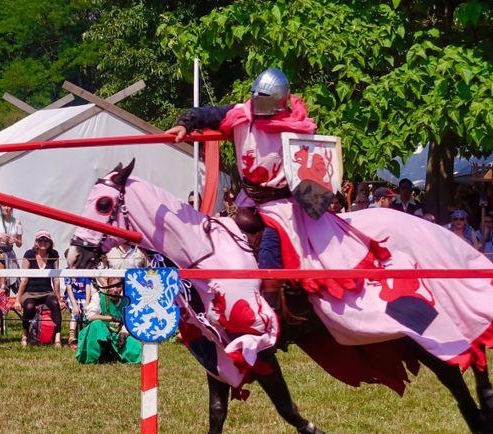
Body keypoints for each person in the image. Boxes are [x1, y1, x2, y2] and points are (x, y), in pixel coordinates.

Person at [166, 67, 389, 310]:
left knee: (270, 254)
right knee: (220, 243)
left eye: (262, 98)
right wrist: (184, 125)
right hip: (248, 200)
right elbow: (206, 114)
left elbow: (312, 173)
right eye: (254, 96)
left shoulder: (297, 127)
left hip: (281, 206)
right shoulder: (240, 115)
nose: (256, 102)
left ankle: (271, 313)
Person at [75, 277, 141, 364]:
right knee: (97, 325)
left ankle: (113, 354)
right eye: (112, 287)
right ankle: (92, 358)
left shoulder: (126, 301)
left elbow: (130, 321)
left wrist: (124, 333)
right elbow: (90, 316)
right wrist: (111, 318)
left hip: (116, 335)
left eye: (118, 287)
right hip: (99, 333)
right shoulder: (98, 296)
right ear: (108, 286)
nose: (115, 290)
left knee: (137, 349)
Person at [15, 230, 62, 347]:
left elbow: (56, 279)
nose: (43, 242)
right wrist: (17, 300)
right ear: (36, 242)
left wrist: (59, 298)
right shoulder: (29, 254)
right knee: (29, 307)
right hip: (30, 292)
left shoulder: (54, 254)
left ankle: (57, 338)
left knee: (55, 304)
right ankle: (25, 335)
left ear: (50, 243)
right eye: (40, 240)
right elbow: (24, 279)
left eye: (46, 240)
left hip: (47, 291)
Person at [0, 205, 23, 291]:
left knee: (10, 283)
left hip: (9, 253)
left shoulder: (17, 222)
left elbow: (20, 244)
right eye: (4, 206)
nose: (6, 208)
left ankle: (7, 302)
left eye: (9, 206)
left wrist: (15, 239)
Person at [63, 267, 91, 348]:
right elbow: (69, 290)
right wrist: (75, 306)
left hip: (84, 296)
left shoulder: (85, 270)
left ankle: (86, 335)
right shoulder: (67, 271)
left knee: (87, 313)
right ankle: (71, 337)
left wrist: (87, 303)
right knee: (75, 313)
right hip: (72, 297)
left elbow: (88, 288)